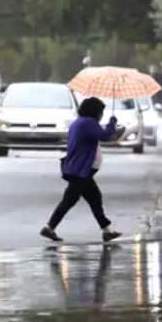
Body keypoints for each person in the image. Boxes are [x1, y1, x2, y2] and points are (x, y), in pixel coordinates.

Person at [41, 96, 123, 243]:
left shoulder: (79, 122)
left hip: (78, 169)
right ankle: (49, 227)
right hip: (81, 171)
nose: (101, 115)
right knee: (70, 200)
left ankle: (107, 230)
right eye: (101, 112)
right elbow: (104, 136)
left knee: (94, 198)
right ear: (95, 111)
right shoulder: (88, 123)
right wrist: (112, 123)